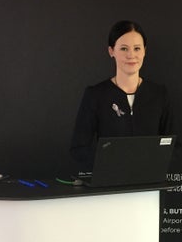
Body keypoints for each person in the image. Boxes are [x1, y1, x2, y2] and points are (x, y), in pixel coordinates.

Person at [70, 20, 173, 172]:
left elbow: (174, 146)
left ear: (144, 51)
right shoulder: (96, 95)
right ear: (111, 51)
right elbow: (79, 147)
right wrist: (108, 166)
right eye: (124, 48)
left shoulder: (159, 94)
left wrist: (153, 166)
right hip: (110, 188)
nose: (131, 55)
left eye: (137, 48)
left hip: (150, 188)